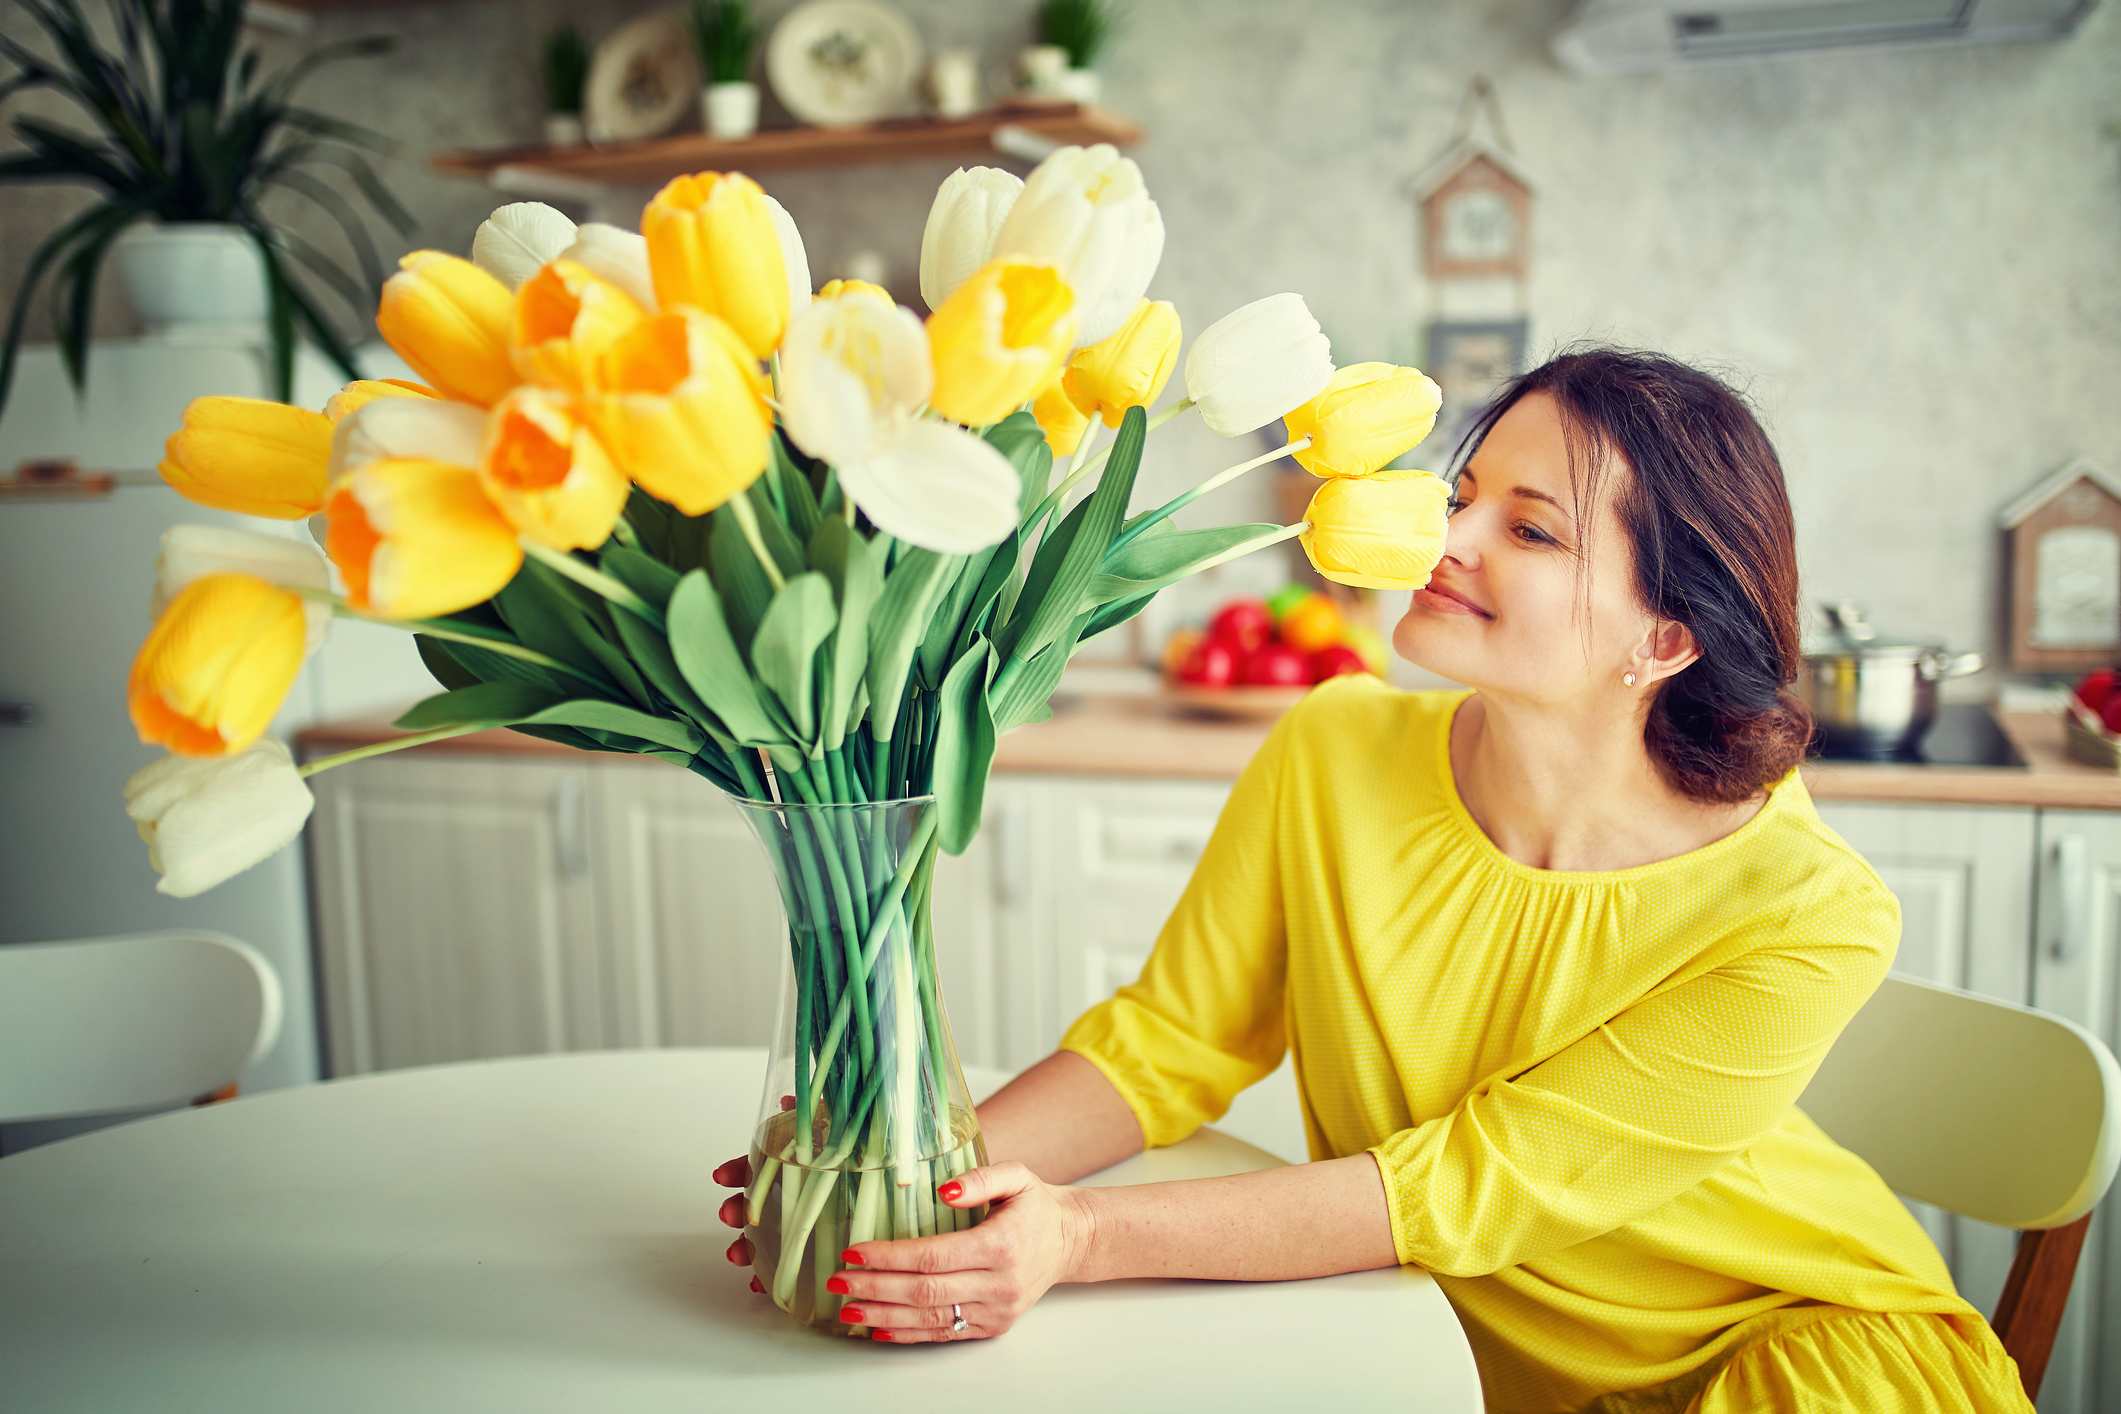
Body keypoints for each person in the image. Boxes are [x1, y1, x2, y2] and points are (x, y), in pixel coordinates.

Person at [712, 346, 2033, 1412]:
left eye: (1526, 526)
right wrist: (894, 1187)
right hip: (1445, 1359)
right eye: (1462, 493)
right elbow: (1166, 1044)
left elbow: (1466, 1183)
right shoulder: (1331, 747)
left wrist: (1077, 1238)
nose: (1444, 535)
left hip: (1779, 1350)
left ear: (1665, 635)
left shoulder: (1808, 912)